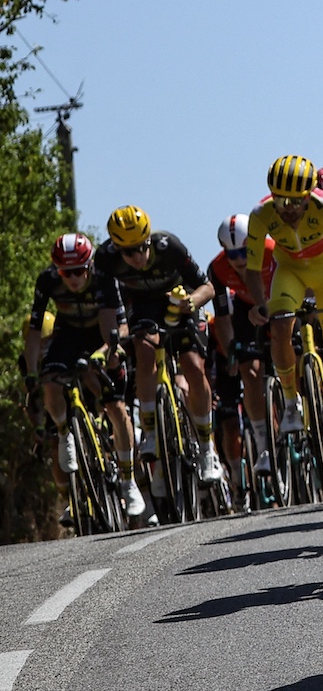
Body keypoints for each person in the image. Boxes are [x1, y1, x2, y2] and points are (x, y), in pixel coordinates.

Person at [241, 156, 323, 471]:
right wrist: (260, 305)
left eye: (295, 201)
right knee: (281, 326)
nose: (288, 208)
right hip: (291, 272)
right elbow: (254, 270)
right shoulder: (261, 215)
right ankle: (290, 401)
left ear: (308, 195)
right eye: (280, 200)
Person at [94, 206, 225, 486]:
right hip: (144, 305)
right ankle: (152, 430)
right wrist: (113, 345)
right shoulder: (105, 259)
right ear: (117, 249)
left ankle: (206, 448)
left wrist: (191, 303)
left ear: (149, 240)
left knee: (191, 364)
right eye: (128, 253)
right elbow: (106, 310)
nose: (137, 257)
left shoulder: (169, 246)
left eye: (141, 248)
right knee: (144, 350)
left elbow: (208, 287)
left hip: (183, 301)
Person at [27, 234, 145, 517]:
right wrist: (31, 372)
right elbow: (33, 331)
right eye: (66, 272)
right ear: (57, 269)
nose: (74, 278)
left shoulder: (104, 278)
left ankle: (129, 483)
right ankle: (66, 432)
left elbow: (118, 326)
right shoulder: (47, 281)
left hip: (101, 335)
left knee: (116, 407)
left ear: (89, 265)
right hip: (68, 335)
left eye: (79, 270)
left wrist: (105, 353)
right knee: (50, 384)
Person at [207, 215, 273, 474]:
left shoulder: (273, 252)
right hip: (247, 311)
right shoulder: (218, 269)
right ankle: (263, 443)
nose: (239, 260)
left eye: (245, 251)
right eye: (231, 254)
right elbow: (223, 318)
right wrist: (232, 349)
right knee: (249, 371)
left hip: (278, 299)